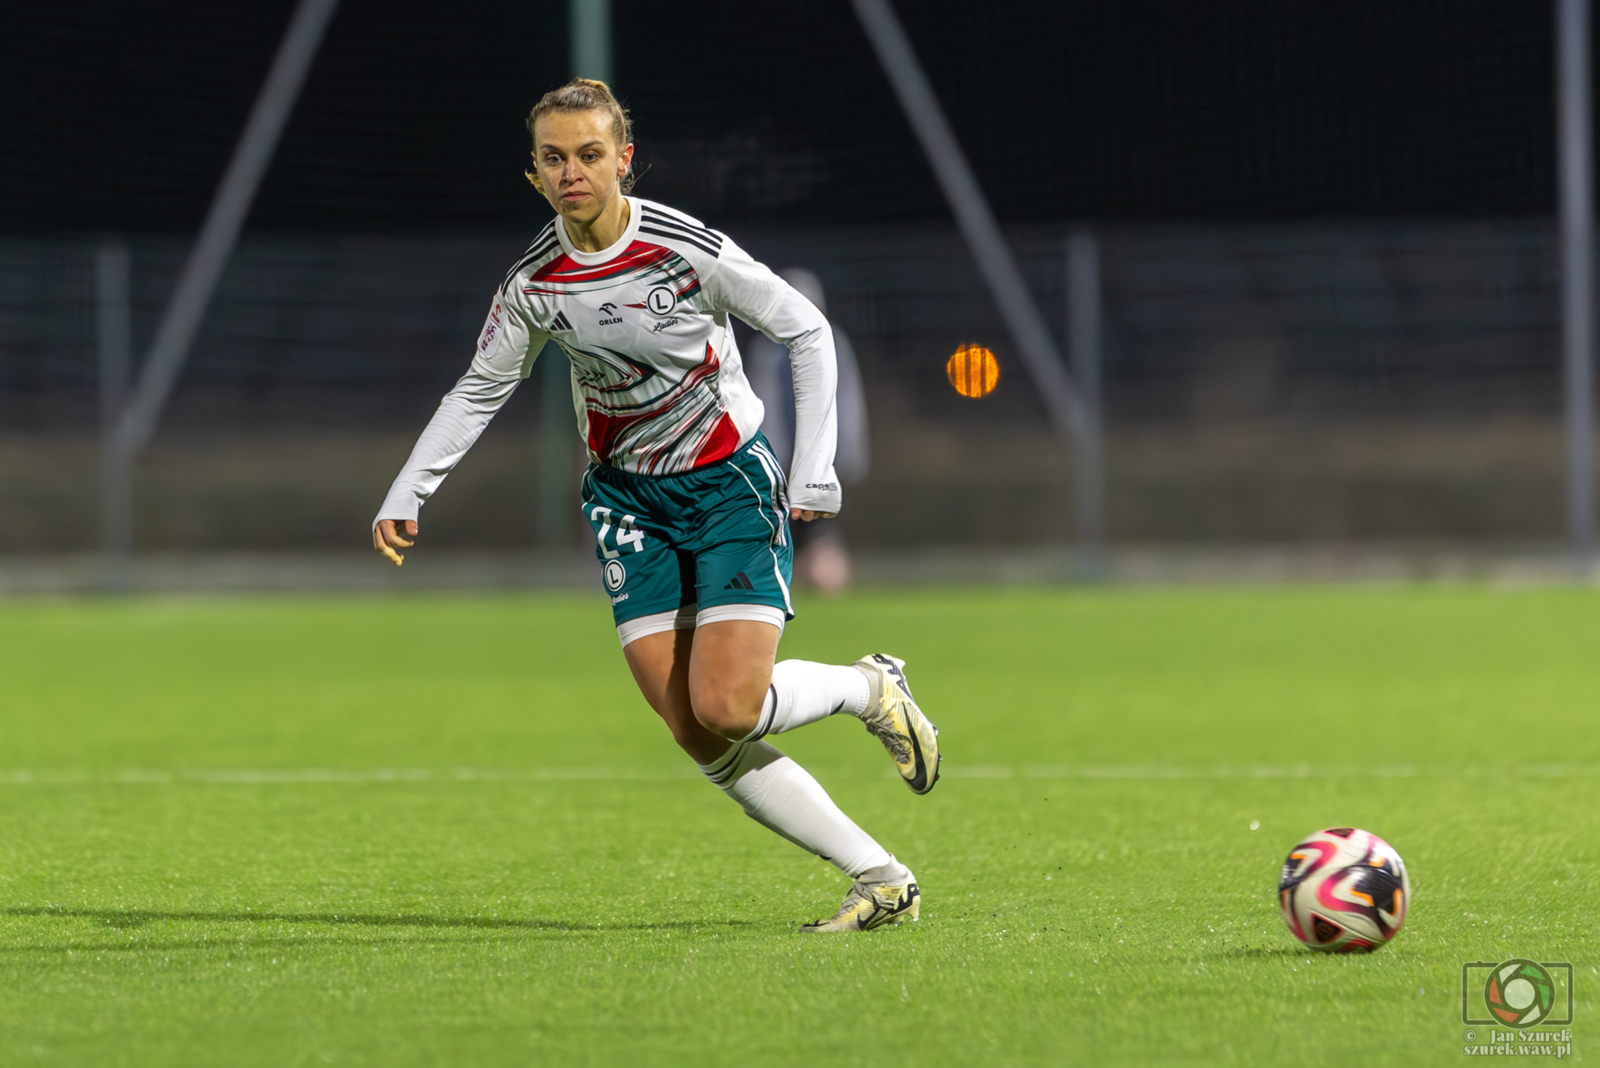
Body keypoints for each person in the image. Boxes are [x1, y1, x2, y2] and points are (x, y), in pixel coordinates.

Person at [372, 79, 940, 933]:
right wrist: (408, 489)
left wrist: (811, 468)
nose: (573, 172)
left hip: (727, 488)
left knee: (729, 706)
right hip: (625, 503)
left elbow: (808, 330)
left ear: (623, 160)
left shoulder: (683, 249)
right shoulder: (535, 280)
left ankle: (869, 687)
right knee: (694, 728)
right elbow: (482, 384)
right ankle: (881, 876)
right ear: (533, 173)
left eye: (590, 155)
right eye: (554, 158)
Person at [745, 267, 869, 593]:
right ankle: (792, 580)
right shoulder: (767, 350)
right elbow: (760, 400)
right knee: (786, 523)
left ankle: (828, 581)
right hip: (782, 454)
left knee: (824, 523)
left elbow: (848, 398)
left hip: (825, 451)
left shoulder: (833, 343)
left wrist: (851, 448)